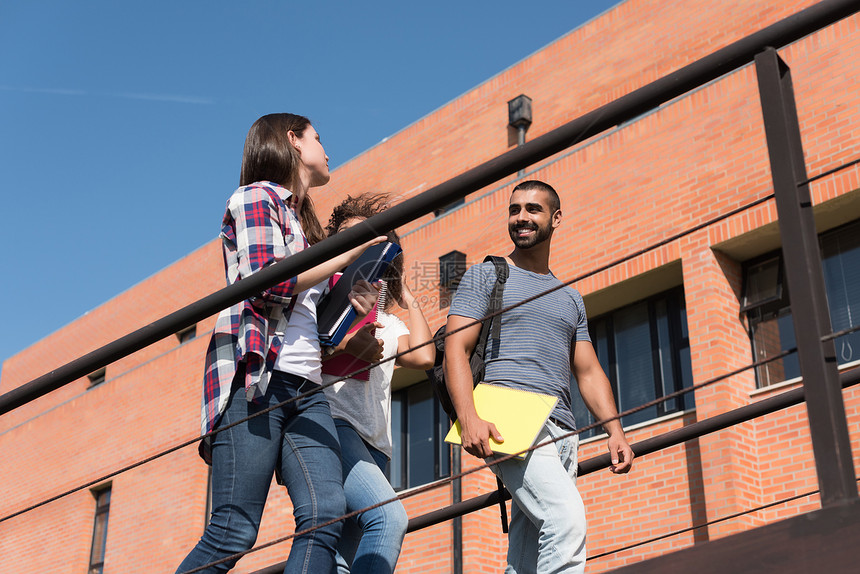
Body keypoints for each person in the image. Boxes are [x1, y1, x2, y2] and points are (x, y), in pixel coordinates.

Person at [177, 113, 384, 574]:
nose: (327, 149)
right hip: (257, 380)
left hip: (307, 389)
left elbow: (317, 316)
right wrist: (348, 248)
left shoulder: (301, 222)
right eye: (318, 137)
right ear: (293, 140)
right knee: (234, 531)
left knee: (327, 511)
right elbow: (266, 283)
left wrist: (357, 290)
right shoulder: (255, 197)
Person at [443, 180, 634, 574]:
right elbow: (455, 350)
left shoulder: (570, 298)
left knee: (529, 557)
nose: (521, 217)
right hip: (509, 416)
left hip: (564, 430)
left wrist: (615, 430)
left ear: (556, 218)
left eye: (533, 209)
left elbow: (589, 370)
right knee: (566, 521)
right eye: (514, 210)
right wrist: (468, 417)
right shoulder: (486, 276)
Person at [320, 193, 436, 574]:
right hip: (336, 426)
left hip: (378, 446)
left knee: (344, 558)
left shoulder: (391, 325)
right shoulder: (322, 300)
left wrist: (405, 293)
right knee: (389, 519)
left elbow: (424, 356)